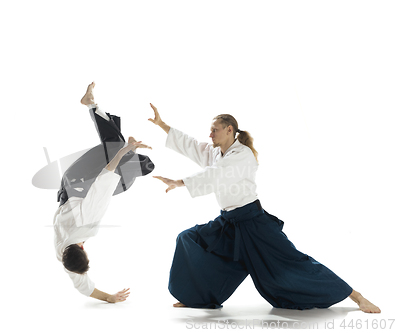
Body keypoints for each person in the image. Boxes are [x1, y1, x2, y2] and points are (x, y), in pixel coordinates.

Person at [148, 103, 381, 313]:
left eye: (215, 130)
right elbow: (190, 145)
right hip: (228, 223)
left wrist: (180, 182)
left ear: (229, 129)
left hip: (253, 223)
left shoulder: (242, 154)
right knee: (189, 239)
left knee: (292, 263)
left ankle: (355, 296)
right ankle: (197, 297)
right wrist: (162, 125)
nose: (210, 134)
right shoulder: (216, 152)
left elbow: (216, 175)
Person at [53, 83, 152, 303]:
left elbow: (106, 176)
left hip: (79, 181)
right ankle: (93, 108)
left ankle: (91, 105)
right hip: (70, 190)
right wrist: (109, 298)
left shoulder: (87, 219)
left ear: (83, 251)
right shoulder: (64, 255)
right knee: (123, 161)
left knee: (132, 157)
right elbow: (85, 288)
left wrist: (128, 150)